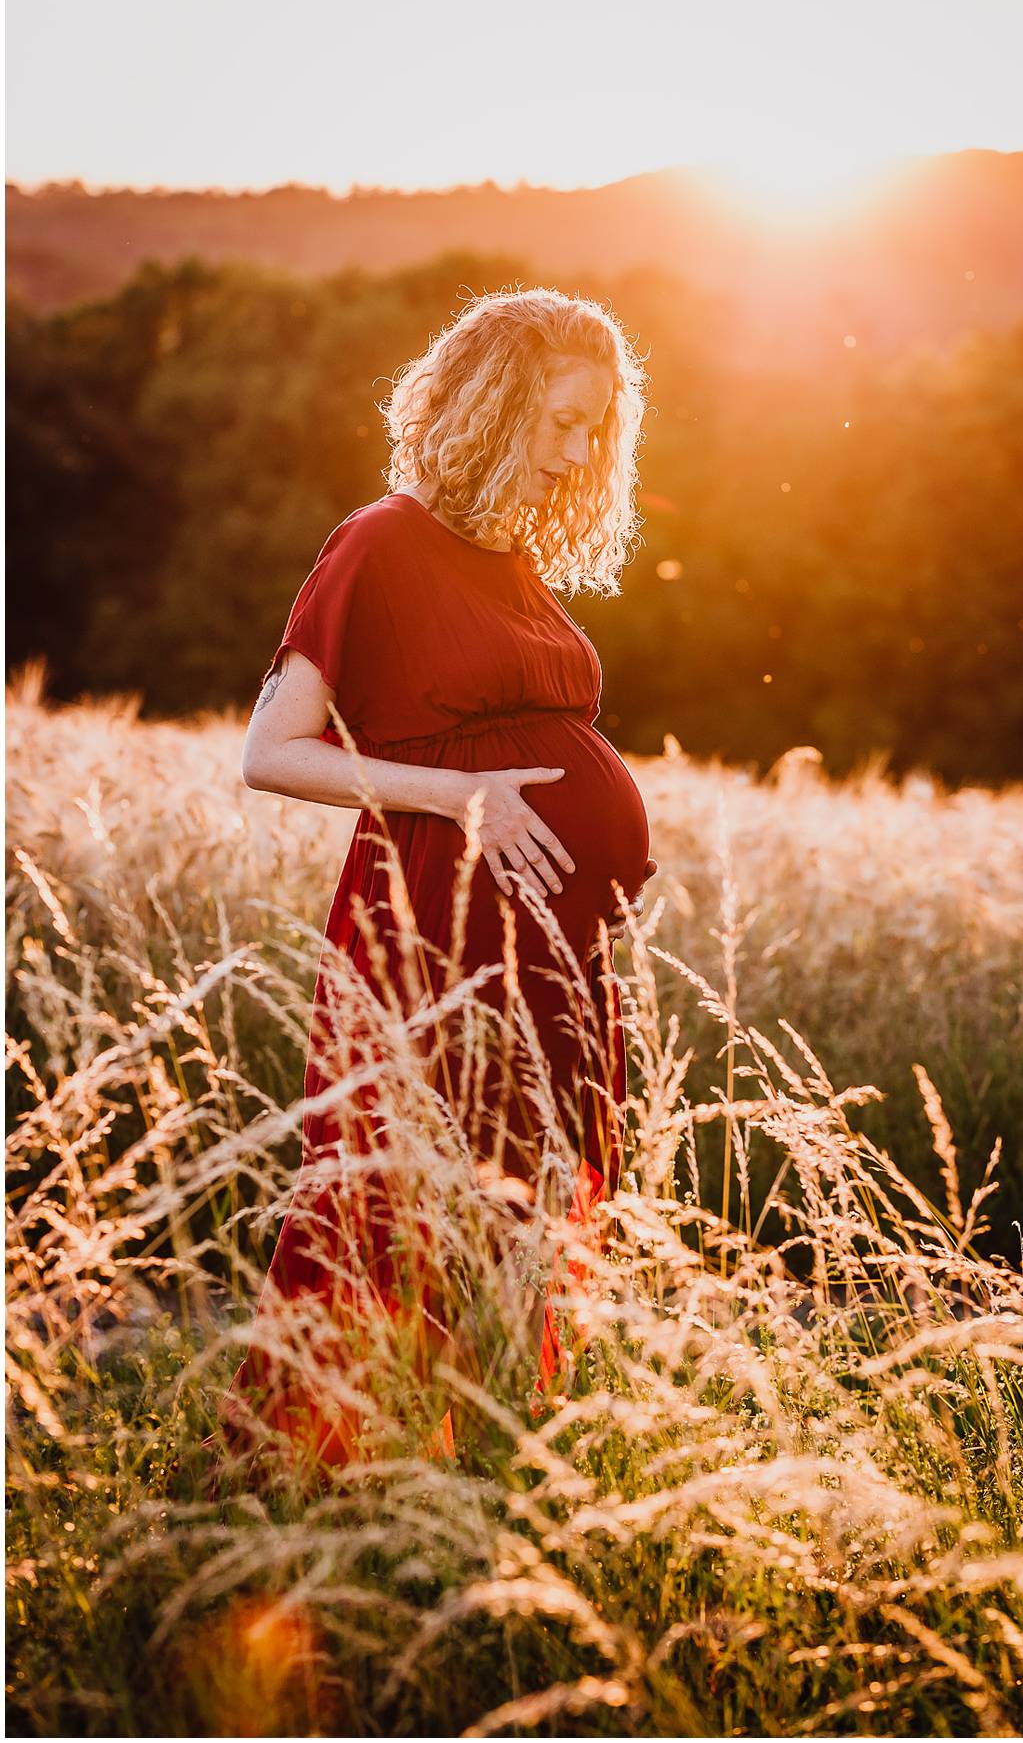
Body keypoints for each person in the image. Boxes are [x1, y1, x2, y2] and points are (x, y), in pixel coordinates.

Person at [217, 287, 657, 1475]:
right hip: (430, 945)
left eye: (595, 431)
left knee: (518, 1224)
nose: (579, 455)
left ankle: (485, 1479)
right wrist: (456, 797)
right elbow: (271, 752)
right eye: (564, 423)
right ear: (496, 405)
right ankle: (291, 1487)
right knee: (388, 1214)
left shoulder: (510, 555)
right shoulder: (381, 542)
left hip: (550, 963)